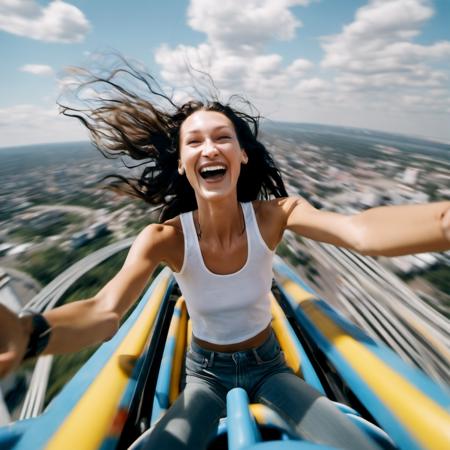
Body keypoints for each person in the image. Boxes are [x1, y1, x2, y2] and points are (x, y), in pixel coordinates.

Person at [1, 61, 449, 450]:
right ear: (181, 163)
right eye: (194, 142)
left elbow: (360, 231)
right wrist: (30, 333)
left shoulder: (276, 216)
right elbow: (104, 311)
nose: (209, 148)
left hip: (269, 363)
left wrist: (442, 223)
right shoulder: (164, 239)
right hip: (205, 374)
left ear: (241, 156)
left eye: (222, 138)